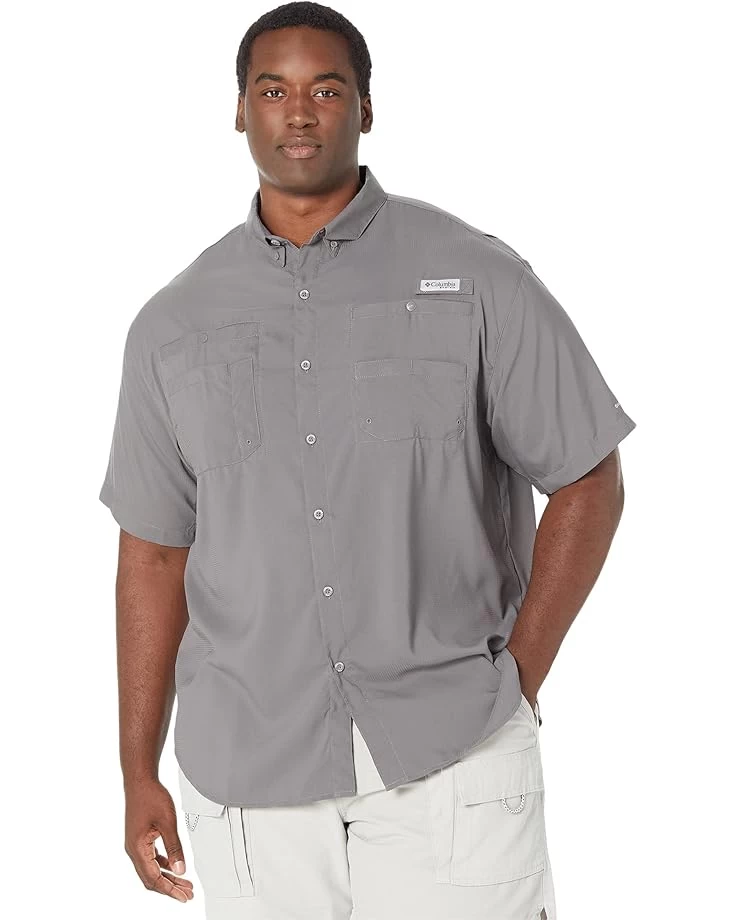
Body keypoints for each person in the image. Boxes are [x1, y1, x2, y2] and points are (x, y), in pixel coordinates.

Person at [98, 3, 636, 918]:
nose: (299, 113)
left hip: (452, 757)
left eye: (326, 89)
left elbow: (588, 476)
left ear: (366, 108)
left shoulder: (477, 276)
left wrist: (517, 681)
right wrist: (136, 770)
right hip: (248, 779)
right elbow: (153, 552)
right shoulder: (172, 324)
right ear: (239, 110)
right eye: (273, 90)